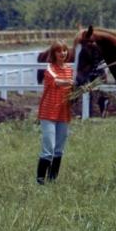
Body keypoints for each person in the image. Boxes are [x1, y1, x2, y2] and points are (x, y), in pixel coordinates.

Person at [36, 40, 73, 184]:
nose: (62, 53)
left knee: (59, 149)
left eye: (64, 50)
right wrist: (71, 82)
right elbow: (56, 81)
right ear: (54, 54)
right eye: (59, 51)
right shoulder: (49, 68)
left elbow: (72, 90)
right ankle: (40, 181)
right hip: (48, 112)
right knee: (48, 148)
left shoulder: (70, 69)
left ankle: (52, 180)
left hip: (63, 113)